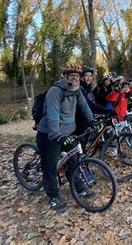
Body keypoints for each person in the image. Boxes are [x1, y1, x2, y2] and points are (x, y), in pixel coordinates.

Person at [36, 65, 94, 213]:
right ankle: (53, 196)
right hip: (50, 133)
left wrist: (92, 121)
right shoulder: (55, 91)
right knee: (50, 165)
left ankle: (79, 188)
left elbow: (85, 107)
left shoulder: (77, 91)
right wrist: (56, 135)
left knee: (74, 160)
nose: (74, 78)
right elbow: (53, 115)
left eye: (77, 75)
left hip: (67, 133)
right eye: (71, 75)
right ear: (65, 77)